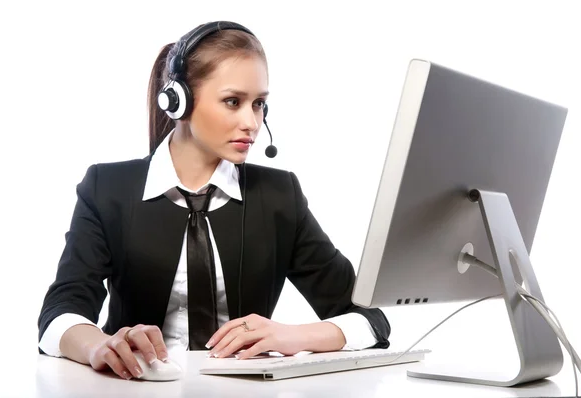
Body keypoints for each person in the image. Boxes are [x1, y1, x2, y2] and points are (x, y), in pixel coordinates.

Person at [37, 21, 391, 381]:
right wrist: (99, 345)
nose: (252, 122)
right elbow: (60, 314)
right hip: (136, 389)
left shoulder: (279, 196)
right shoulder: (108, 188)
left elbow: (370, 319)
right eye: (233, 102)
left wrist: (290, 334)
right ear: (178, 101)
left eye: (259, 104)